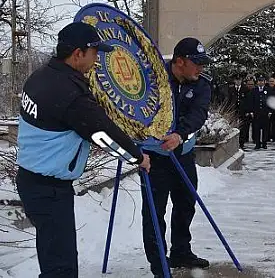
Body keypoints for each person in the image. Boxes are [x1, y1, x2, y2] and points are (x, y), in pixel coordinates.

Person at [16, 22, 151, 277]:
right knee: (61, 266)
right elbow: (104, 135)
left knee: (52, 254)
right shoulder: (69, 94)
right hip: (49, 189)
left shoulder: (41, 77)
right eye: (95, 53)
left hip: (32, 180)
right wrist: (137, 158)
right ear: (78, 53)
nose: (97, 59)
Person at [140, 37, 212, 277]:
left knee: (185, 204)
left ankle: (181, 250)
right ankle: (159, 263)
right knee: (154, 212)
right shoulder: (154, 81)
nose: (201, 68)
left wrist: (180, 135)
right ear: (180, 61)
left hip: (182, 154)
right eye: (197, 63)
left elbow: (199, 114)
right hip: (154, 158)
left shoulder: (200, 84)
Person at [245, 75, 272, 150]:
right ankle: (257, 143)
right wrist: (251, 111)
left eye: (262, 81)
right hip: (256, 112)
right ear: (257, 82)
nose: (261, 82)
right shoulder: (254, 90)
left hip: (265, 112)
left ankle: (264, 143)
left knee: (265, 129)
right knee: (256, 129)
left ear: (264, 82)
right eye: (259, 81)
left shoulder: (268, 90)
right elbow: (251, 101)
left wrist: (270, 111)